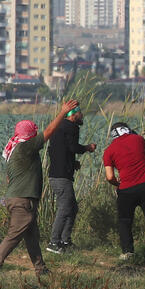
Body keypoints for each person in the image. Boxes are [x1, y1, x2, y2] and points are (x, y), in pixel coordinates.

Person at [0, 99, 79, 276]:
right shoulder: (26, 147)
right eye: (34, 132)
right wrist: (63, 112)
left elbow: (9, 178)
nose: (37, 134)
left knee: (31, 237)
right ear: (30, 134)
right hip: (23, 201)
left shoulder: (13, 150)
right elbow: (50, 131)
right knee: (14, 235)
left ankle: (41, 268)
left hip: (17, 199)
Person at [102, 122, 145, 269]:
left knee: (125, 221)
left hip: (126, 190)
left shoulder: (109, 151)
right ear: (128, 130)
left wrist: (118, 184)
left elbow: (110, 176)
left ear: (113, 135)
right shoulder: (139, 139)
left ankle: (128, 253)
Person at [46, 106, 96, 254]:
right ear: (73, 115)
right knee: (65, 208)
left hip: (57, 175)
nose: (82, 116)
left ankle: (65, 241)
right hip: (61, 177)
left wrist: (71, 163)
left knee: (72, 208)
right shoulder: (71, 127)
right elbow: (73, 147)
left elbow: (58, 150)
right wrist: (88, 147)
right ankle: (54, 242)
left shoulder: (58, 128)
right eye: (80, 113)